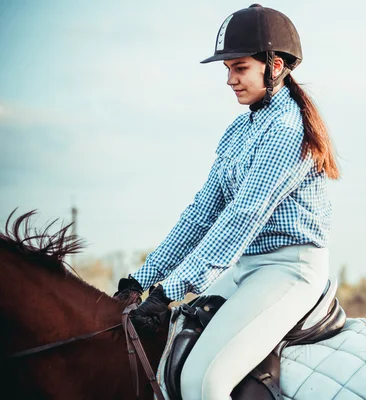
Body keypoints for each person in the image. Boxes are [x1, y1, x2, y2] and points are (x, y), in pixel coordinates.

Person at [115, 4, 340, 400]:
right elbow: (203, 212)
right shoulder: (241, 127)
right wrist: (143, 279)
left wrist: (172, 290)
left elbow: (242, 217)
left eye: (240, 68)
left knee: (204, 381)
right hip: (247, 269)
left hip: (289, 272)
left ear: (274, 67)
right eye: (228, 70)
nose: (230, 80)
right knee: (168, 356)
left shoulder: (288, 130)